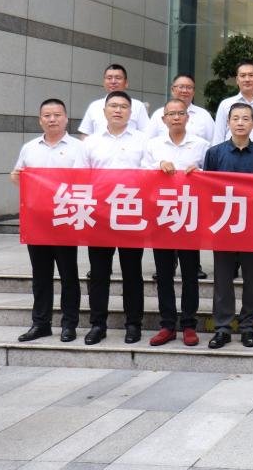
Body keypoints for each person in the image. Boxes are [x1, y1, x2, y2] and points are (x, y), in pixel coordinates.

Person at [74, 91, 148, 345]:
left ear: (131, 112)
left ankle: (133, 324)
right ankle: (98, 324)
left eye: (123, 107)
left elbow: (150, 175)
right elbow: (80, 177)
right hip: (100, 215)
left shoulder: (143, 140)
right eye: (113, 106)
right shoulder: (90, 142)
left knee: (132, 272)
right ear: (104, 111)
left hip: (131, 213)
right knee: (99, 273)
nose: (118, 110)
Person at [11, 98, 82, 343]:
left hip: (65, 218)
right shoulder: (30, 148)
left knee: (68, 275)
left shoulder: (78, 148)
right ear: (40, 120)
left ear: (66, 118)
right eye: (47, 115)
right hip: (37, 221)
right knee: (40, 275)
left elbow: (84, 182)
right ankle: (40, 323)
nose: (52, 119)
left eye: (57, 115)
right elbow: (17, 177)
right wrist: (16, 176)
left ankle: (69, 324)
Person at [141, 98, 210, 347]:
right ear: (164, 119)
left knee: (190, 273)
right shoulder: (153, 145)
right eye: (171, 114)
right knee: (164, 274)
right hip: (162, 215)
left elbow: (212, 177)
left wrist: (200, 174)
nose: (176, 117)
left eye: (181, 113)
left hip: (190, 216)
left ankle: (189, 324)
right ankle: (167, 324)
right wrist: (158, 166)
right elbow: (140, 174)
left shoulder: (202, 145)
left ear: (188, 117)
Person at [202, 103, 253, 349]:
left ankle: (248, 327)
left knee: (252, 279)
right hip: (223, 225)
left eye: (245, 118)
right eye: (235, 118)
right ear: (228, 122)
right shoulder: (215, 153)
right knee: (223, 279)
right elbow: (207, 188)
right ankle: (222, 328)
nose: (240, 123)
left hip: (252, 226)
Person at [212, 60, 253, 147]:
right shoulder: (225, 104)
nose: (247, 79)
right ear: (237, 80)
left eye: (251, 75)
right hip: (230, 154)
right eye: (243, 76)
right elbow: (218, 137)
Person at [77, 63, 150, 136]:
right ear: (104, 83)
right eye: (109, 78)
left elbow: (147, 133)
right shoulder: (94, 106)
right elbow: (85, 134)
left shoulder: (138, 106)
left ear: (126, 83)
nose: (113, 81)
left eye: (118, 78)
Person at [147, 74, 214, 143]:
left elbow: (213, 142)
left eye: (189, 87)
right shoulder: (159, 114)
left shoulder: (204, 115)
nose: (184, 91)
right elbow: (149, 142)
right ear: (172, 90)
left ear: (194, 92)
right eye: (181, 87)